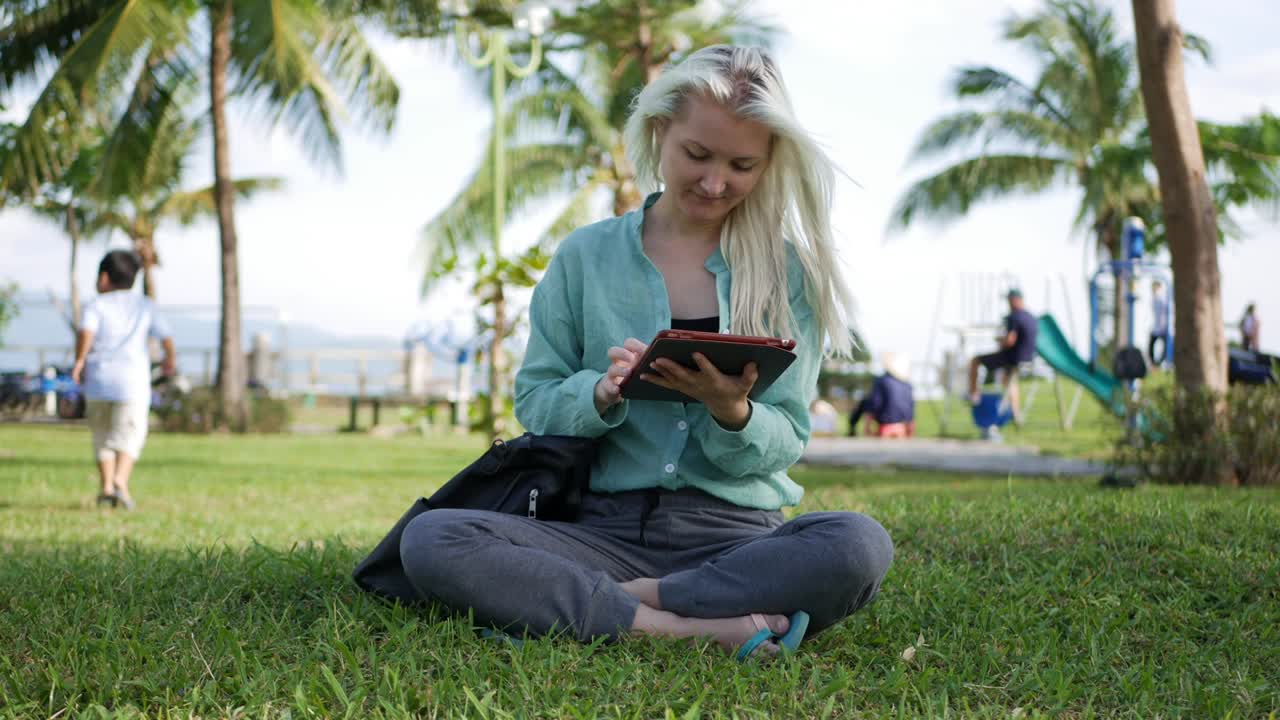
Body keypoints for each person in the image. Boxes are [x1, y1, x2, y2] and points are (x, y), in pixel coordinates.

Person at [398, 45, 893, 660]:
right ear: (660, 131)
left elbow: (789, 435)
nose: (715, 183)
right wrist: (599, 394)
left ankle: (626, 602)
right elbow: (536, 402)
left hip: (738, 539)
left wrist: (731, 412)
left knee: (858, 544)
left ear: (769, 163)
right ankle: (694, 628)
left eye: (741, 164)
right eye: (697, 154)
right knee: (432, 539)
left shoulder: (789, 273)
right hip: (602, 529)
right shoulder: (585, 257)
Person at [71, 250, 176, 510]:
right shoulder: (145, 305)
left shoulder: (96, 305)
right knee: (130, 434)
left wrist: (80, 361)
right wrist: (169, 358)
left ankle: (107, 486)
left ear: (104, 277)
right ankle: (120, 480)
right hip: (132, 382)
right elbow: (166, 337)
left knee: (102, 435)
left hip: (98, 380)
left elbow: (86, 334)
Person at [967, 289, 1038, 410]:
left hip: (1013, 358)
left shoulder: (1014, 316)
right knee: (1009, 380)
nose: (1008, 303)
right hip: (1028, 358)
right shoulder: (1031, 317)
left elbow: (1010, 340)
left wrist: (1000, 341)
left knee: (975, 361)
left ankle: (973, 395)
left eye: (1009, 300)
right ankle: (1015, 413)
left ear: (1015, 300)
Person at [848, 352, 914, 438]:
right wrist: (910, 431)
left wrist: (867, 426)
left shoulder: (881, 381)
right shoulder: (907, 384)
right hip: (902, 428)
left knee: (865, 401)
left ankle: (852, 429)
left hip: (885, 427)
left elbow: (875, 404)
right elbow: (911, 409)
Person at [1148, 281, 1170, 368]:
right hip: (1156, 327)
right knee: (1151, 345)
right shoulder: (1154, 298)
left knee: (1165, 346)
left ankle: (1159, 363)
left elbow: (1163, 313)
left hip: (1163, 327)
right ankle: (1155, 363)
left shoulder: (1161, 298)